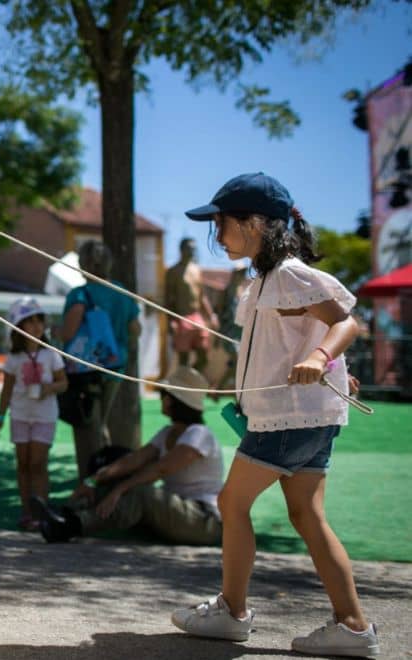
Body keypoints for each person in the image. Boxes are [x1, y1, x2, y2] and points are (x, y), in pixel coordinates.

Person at [170, 173, 379, 657]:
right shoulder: (266, 280)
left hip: (287, 420)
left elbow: (345, 322)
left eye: (222, 224)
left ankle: (233, 611)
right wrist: (328, 365)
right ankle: (351, 625)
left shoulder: (288, 274)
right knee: (307, 514)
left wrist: (321, 360)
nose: (218, 236)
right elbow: (299, 334)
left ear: (257, 224)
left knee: (232, 502)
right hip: (307, 417)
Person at [33, 366, 224, 546]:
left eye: (165, 395)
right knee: (114, 481)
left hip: (203, 519)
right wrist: (94, 479)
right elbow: (134, 460)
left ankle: (72, 526)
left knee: (140, 492)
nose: (162, 399)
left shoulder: (199, 434)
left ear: (175, 400)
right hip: (176, 513)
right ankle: (64, 514)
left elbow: (162, 468)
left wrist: (121, 489)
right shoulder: (167, 432)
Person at [59, 241, 141, 475]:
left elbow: (68, 332)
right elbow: (136, 329)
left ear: (83, 264)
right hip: (116, 365)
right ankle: (107, 475)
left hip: (86, 371)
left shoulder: (80, 295)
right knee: (102, 421)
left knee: (87, 427)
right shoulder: (122, 293)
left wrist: (55, 332)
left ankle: (90, 481)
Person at [0, 296, 67, 530]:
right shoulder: (13, 358)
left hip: (45, 415)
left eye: (39, 321)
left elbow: (63, 383)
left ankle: (42, 511)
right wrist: (0, 417)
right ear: (19, 327)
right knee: (23, 464)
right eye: (30, 321)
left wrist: (50, 388)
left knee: (38, 463)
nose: (36, 326)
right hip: (20, 415)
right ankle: (27, 512)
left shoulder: (51, 354)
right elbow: (6, 389)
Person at [165, 238, 219, 373]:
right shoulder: (173, 271)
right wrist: (170, 321)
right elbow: (168, 298)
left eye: (194, 248)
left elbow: (202, 297)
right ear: (182, 249)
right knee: (183, 360)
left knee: (204, 357)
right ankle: (181, 388)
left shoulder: (196, 269)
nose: (192, 250)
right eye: (189, 247)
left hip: (197, 317)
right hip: (181, 317)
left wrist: (211, 315)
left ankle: (188, 378)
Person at [212, 264, 249, 397]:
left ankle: (219, 390)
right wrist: (217, 336)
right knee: (237, 360)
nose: (242, 275)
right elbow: (218, 313)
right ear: (234, 274)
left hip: (241, 334)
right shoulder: (226, 291)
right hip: (228, 333)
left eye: (244, 272)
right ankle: (231, 392)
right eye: (240, 272)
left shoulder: (244, 291)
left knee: (237, 364)